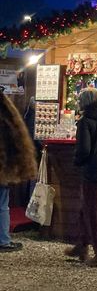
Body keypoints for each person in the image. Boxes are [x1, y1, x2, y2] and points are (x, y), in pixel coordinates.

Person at [65, 88, 97, 268]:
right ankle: (81, 245)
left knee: (94, 212)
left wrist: (76, 162)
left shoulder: (85, 122)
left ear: (84, 102)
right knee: (85, 208)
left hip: (92, 171)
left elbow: (83, 150)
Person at [0, 89, 37, 252]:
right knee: (2, 204)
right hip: (2, 169)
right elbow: (16, 144)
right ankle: (3, 240)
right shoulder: (7, 118)